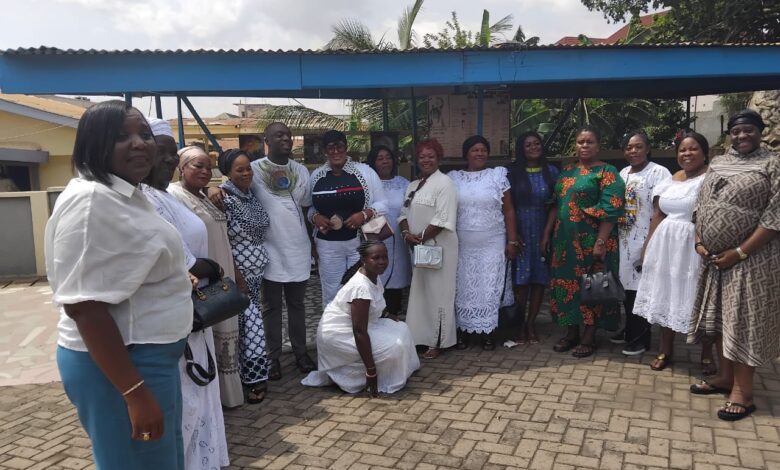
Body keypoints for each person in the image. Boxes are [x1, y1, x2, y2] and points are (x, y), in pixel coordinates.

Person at [45, 101, 192, 468]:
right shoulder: (93, 202)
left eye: (145, 134)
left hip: (145, 360)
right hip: (123, 366)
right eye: (122, 136)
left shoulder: (125, 193)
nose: (140, 143)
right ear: (95, 144)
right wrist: (135, 393)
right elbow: (83, 307)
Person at [140, 118, 229, 469]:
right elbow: (183, 262)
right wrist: (212, 268)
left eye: (169, 154)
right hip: (176, 310)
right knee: (188, 398)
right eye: (160, 153)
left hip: (196, 308)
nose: (166, 161)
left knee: (201, 389)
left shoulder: (163, 195)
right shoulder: (147, 200)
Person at [688, 110, 780, 422]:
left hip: (752, 259)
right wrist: (700, 239)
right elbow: (702, 204)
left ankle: (743, 392)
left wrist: (739, 252)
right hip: (714, 260)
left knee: (743, 321)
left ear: (760, 131)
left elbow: (775, 217)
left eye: (749, 131)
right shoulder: (718, 161)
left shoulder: (773, 163)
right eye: (736, 131)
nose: (742, 136)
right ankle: (724, 378)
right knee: (719, 320)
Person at [209, 122, 315, 380]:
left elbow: (306, 208)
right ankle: (273, 356)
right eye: (279, 135)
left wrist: (314, 246)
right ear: (266, 139)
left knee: (297, 305)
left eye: (288, 135)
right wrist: (212, 188)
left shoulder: (301, 170)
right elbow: (230, 189)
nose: (286, 139)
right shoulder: (253, 169)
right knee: (271, 307)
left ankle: (301, 353)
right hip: (270, 251)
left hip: (298, 247)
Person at [168, 146, 244, 409]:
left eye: (206, 166)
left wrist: (235, 270)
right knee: (209, 334)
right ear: (181, 168)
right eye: (196, 165)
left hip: (222, 273)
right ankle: (214, 398)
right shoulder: (174, 197)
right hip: (202, 278)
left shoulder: (205, 195)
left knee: (226, 330)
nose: (203, 170)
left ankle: (227, 396)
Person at [542, 126, 625, 358]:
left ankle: (589, 336)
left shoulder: (607, 173)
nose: (584, 146)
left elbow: (612, 210)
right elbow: (555, 205)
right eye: (580, 142)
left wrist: (601, 241)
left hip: (591, 241)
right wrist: (547, 234)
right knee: (565, 287)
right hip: (564, 243)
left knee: (592, 287)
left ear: (598, 146)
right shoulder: (567, 172)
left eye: (589, 142)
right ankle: (571, 332)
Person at [632, 131, 709, 372]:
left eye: (693, 148)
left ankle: (707, 355)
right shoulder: (672, 179)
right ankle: (666, 350)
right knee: (666, 295)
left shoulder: (711, 178)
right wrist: (647, 248)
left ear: (705, 152)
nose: (687, 154)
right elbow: (658, 215)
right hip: (664, 246)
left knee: (699, 297)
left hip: (694, 245)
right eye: (682, 150)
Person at [301, 240, 420, 395]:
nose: (382, 262)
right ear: (364, 260)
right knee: (394, 346)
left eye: (385, 257)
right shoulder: (360, 287)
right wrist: (371, 371)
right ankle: (371, 377)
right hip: (339, 335)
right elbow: (359, 331)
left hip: (360, 326)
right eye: (376, 258)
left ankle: (397, 371)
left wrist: (386, 315)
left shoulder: (372, 275)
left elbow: (371, 306)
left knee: (402, 328)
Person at [448, 135, 519, 350]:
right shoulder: (453, 178)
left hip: (492, 241)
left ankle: (488, 331)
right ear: (466, 154)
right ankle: (464, 331)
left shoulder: (498, 175)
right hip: (462, 244)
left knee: (488, 286)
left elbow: (509, 210)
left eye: (483, 150)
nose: (479, 154)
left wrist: (512, 241)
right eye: (474, 150)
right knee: (463, 286)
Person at [309, 130, 388, 307]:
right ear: (324, 151)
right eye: (331, 148)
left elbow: (383, 204)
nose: (336, 152)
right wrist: (316, 217)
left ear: (346, 148)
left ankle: (360, 329)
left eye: (340, 146)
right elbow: (310, 207)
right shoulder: (316, 176)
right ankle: (336, 331)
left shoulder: (364, 172)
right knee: (332, 291)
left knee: (361, 288)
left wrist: (364, 215)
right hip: (328, 246)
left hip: (358, 243)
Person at [217, 149, 271, 403]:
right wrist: (236, 273)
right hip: (240, 275)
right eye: (240, 169)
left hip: (256, 274)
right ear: (227, 172)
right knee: (250, 328)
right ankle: (254, 380)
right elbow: (224, 240)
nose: (246, 172)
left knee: (247, 327)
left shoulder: (249, 194)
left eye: (248, 168)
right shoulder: (224, 198)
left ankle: (243, 376)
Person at [398, 139, 459, 359]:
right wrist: (407, 234)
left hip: (439, 247)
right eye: (422, 156)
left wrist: (421, 237)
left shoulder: (445, 183)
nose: (426, 160)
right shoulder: (412, 186)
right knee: (420, 293)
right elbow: (403, 214)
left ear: (438, 158)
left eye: (431, 156)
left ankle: (438, 342)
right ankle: (419, 338)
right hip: (418, 248)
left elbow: (442, 219)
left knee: (439, 294)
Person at [614, 130, 671, 356]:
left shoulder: (659, 173)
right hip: (623, 240)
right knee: (627, 289)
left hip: (646, 238)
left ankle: (640, 338)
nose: (633, 151)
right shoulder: (623, 172)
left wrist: (649, 243)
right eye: (629, 147)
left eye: (638, 146)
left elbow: (660, 211)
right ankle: (629, 329)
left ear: (647, 148)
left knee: (640, 290)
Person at [507, 131, 560, 345]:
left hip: (541, 230)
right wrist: (513, 234)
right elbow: (506, 206)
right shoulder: (511, 173)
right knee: (520, 282)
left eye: (536, 143)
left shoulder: (552, 172)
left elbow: (556, 205)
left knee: (538, 280)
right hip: (518, 230)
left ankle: (531, 323)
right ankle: (519, 324)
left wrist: (547, 234)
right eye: (528, 144)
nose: (533, 147)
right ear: (521, 148)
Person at [366, 145, 412, 317]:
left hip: (398, 240)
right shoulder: (369, 184)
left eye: (388, 157)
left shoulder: (404, 183)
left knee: (396, 279)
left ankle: (394, 316)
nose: (385, 161)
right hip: (376, 238)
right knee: (377, 278)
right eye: (380, 158)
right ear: (373, 162)